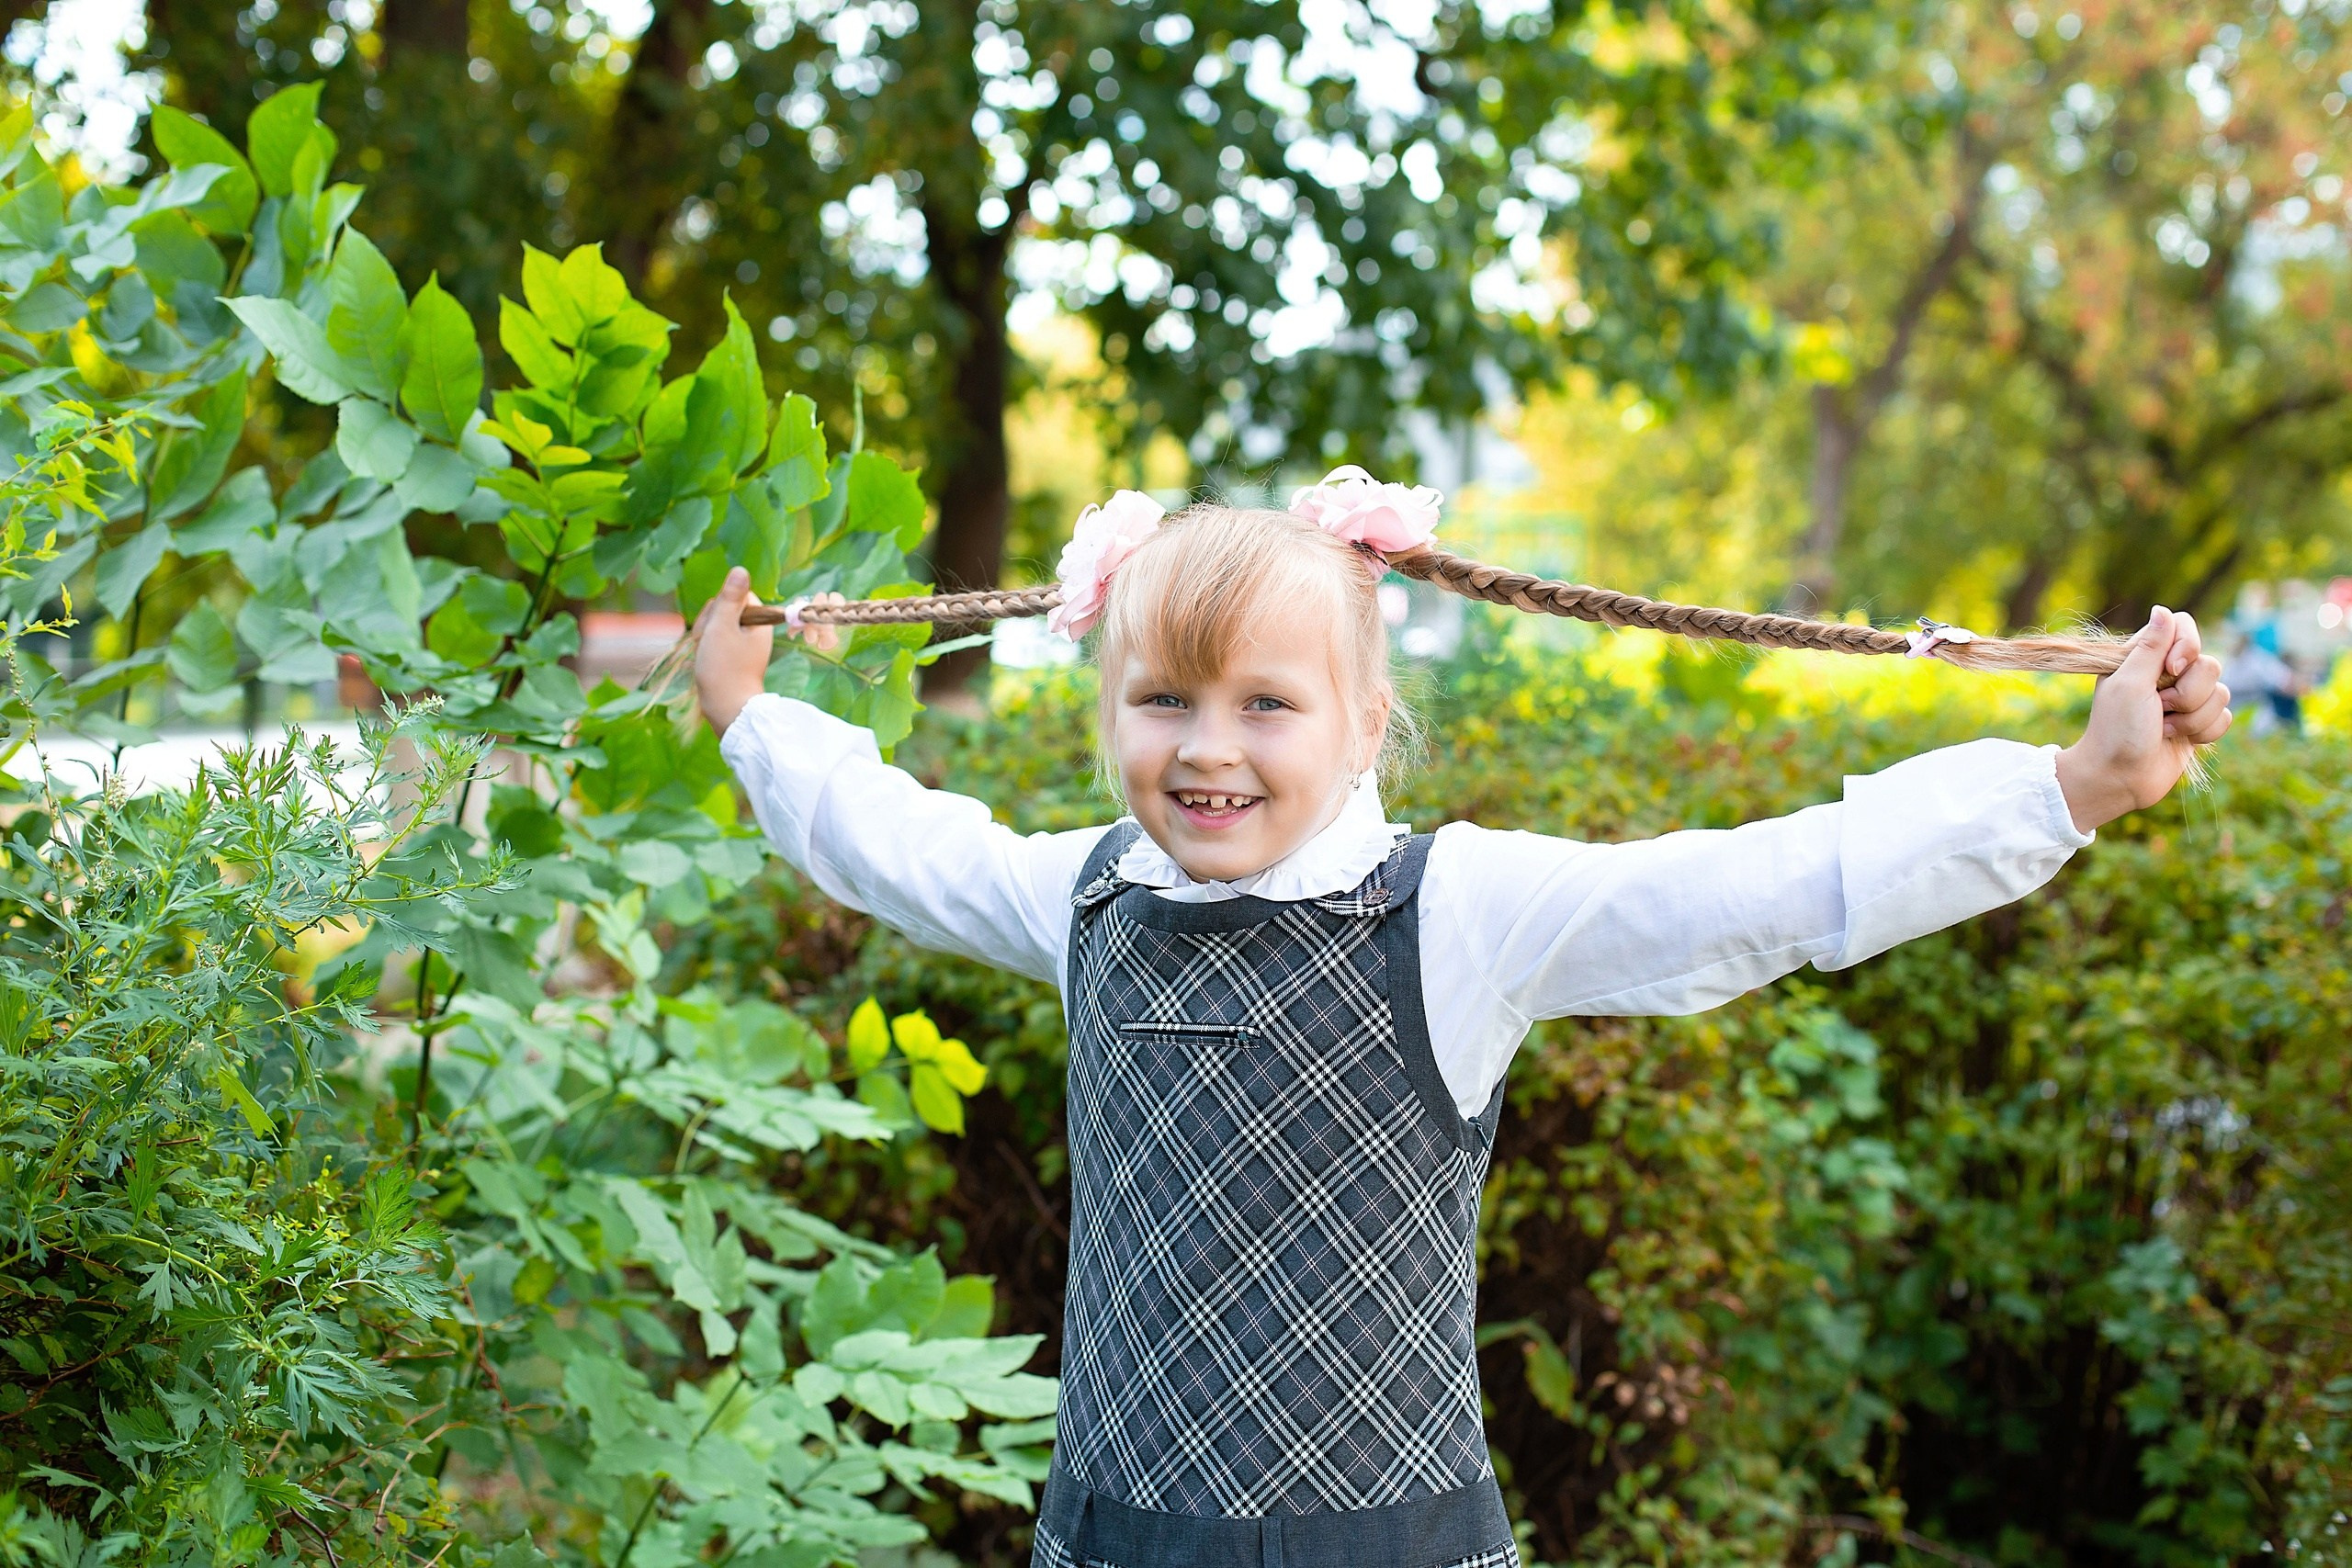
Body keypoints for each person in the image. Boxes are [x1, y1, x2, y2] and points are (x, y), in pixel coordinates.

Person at [693, 471, 2232, 1568]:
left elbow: (1754, 892)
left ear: (1368, 723)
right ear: (1109, 714)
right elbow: (903, 848)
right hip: (1114, 1538)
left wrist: (2072, 787)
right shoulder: (1086, 898)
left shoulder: (1457, 914)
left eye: (1267, 705)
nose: (1207, 750)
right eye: (1161, 699)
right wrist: (755, 719)